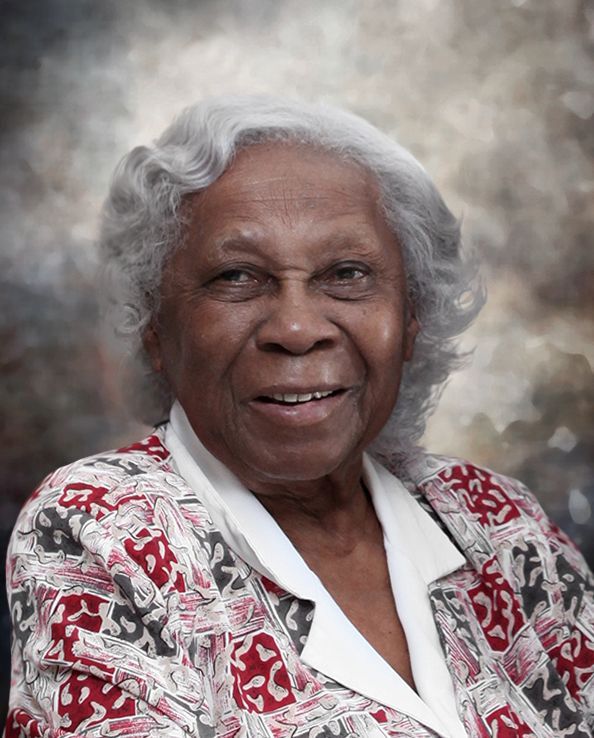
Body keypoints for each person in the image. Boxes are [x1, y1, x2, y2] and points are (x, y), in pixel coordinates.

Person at [5, 97, 593, 738]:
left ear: (411, 320)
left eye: (347, 273)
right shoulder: (99, 526)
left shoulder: (499, 520)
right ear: (155, 330)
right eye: (236, 276)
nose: (296, 329)